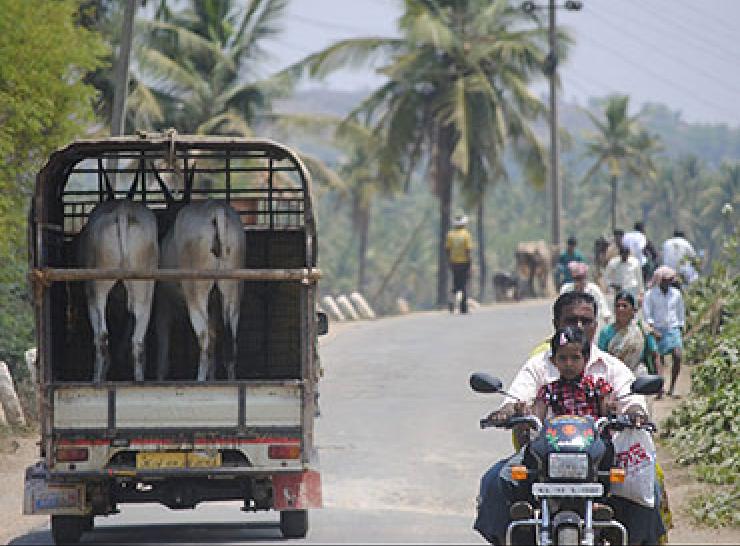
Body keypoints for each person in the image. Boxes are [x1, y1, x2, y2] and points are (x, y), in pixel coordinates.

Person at [474, 292, 665, 545]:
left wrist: (634, 414)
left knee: (649, 488)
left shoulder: (608, 369)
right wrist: (509, 412)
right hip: (546, 460)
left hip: (596, 460)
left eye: (586, 321)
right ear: (556, 324)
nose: (578, 327)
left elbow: (630, 400)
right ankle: (515, 536)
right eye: (571, 320)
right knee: (495, 481)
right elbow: (520, 399)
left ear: (596, 326)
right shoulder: (540, 368)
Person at [643, 266, 685, 398]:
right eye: (665, 280)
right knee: (657, 359)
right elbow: (647, 315)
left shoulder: (676, 294)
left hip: (673, 328)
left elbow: (680, 312)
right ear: (659, 280)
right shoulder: (650, 295)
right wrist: (653, 330)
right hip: (656, 329)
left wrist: (681, 327)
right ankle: (660, 388)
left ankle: (672, 387)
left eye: (670, 280)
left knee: (677, 356)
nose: (667, 282)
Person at [598, 291, 659, 378]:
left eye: (624, 306)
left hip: (638, 375)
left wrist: (659, 380)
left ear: (633, 310)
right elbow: (601, 358)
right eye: (617, 306)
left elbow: (655, 355)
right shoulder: (606, 332)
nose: (620, 309)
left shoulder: (642, 329)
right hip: (613, 376)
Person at [559, 261, 612, 331]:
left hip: (589, 324)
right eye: (576, 279)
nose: (579, 281)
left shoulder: (593, 289)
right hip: (571, 323)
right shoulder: (566, 289)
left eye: (581, 278)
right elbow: (560, 307)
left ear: (585, 277)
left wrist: (607, 323)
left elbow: (602, 305)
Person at [446, 214, 473, 314]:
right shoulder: (466, 235)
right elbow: (468, 250)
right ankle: (463, 307)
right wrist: (470, 263)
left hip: (454, 263)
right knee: (464, 285)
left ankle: (451, 301)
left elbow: (447, 250)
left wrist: (449, 261)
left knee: (456, 284)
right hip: (464, 263)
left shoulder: (450, 235)